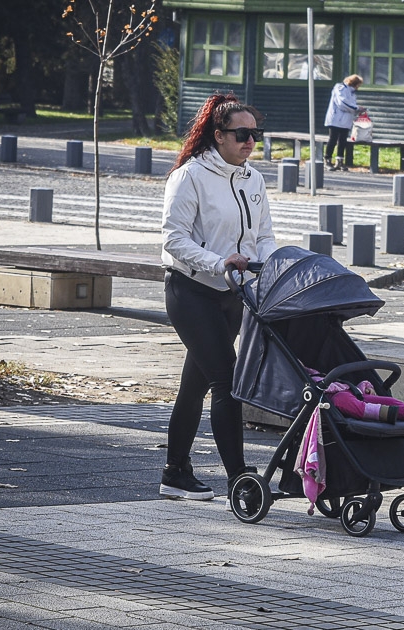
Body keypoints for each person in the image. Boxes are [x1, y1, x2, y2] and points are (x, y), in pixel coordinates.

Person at [158, 92, 276, 501]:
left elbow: (263, 235)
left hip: (233, 295)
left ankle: (175, 472)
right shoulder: (190, 175)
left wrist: (265, 265)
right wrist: (218, 262)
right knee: (228, 380)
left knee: (195, 386)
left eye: (255, 134)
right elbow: (174, 239)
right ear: (218, 135)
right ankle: (239, 478)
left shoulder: (253, 177)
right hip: (191, 291)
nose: (250, 141)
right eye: (242, 134)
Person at [305, 366, 404, 428]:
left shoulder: (317, 373)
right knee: (347, 402)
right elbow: (324, 388)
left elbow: (346, 384)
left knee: (388, 401)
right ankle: (385, 413)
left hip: (354, 392)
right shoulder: (307, 380)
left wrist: (366, 386)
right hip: (330, 401)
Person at [324, 75, 366, 171]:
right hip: (336, 118)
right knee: (333, 139)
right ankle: (327, 160)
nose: (358, 87)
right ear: (354, 83)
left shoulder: (352, 93)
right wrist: (357, 108)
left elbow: (350, 105)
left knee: (343, 141)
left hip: (346, 119)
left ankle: (339, 161)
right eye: (358, 85)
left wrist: (358, 109)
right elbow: (342, 103)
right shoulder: (340, 88)